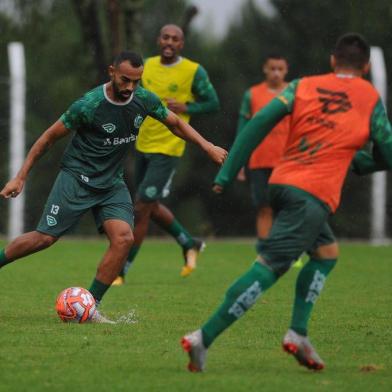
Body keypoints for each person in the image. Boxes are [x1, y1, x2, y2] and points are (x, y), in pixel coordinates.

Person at [181, 33, 392, 371]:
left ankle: (299, 333)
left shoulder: (303, 85)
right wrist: (368, 163)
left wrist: (227, 171)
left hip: (281, 182)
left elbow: (258, 123)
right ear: (366, 67)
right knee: (269, 268)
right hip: (312, 194)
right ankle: (202, 338)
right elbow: (387, 147)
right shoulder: (369, 96)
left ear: (333, 61)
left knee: (326, 255)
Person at [0, 51, 227, 323]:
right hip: (77, 178)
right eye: (125, 80)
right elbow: (48, 138)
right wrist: (20, 176)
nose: (130, 87)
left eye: (136, 81)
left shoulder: (143, 100)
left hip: (111, 183)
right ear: (111, 72)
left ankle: (90, 306)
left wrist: (207, 146)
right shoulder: (89, 105)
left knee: (124, 239)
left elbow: (175, 123)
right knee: (44, 239)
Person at [113, 24, 220, 284]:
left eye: (175, 38)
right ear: (158, 40)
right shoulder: (145, 66)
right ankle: (188, 242)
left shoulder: (193, 70)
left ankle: (122, 269)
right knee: (149, 205)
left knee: (140, 207)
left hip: (169, 148)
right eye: (165, 37)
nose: (169, 42)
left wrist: (188, 106)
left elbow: (213, 103)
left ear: (182, 44)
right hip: (142, 145)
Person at [236, 54, 289, 240]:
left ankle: (289, 250)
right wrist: (238, 161)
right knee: (264, 208)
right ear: (265, 69)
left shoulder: (294, 93)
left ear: (286, 70)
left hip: (287, 160)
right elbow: (243, 130)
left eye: (280, 69)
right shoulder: (252, 94)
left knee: (287, 208)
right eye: (272, 68)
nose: (276, 73)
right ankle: (265, 251)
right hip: (259, 160)